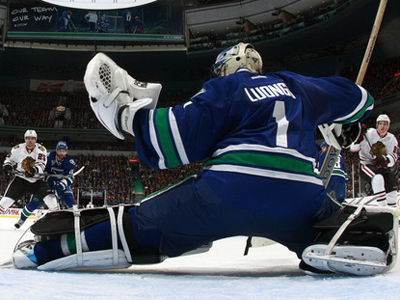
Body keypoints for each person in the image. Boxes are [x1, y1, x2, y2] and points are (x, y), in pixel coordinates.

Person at [12, 43, 397, 275]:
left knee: (138, 223)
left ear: (226, 68)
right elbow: (360, 98)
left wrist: (137, 120)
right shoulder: (300, 86)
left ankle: (47, 250)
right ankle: (341, 238)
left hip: (229, 189)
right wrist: (337, 119)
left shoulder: (226, 87)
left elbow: (175, 140)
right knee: (320, 221)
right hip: (302, 195)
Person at [14, 141, 77, 229]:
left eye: (63, 151)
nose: (62, 153)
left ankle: (75, 222)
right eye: (60, 151)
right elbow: (41, 168)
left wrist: (61, 185)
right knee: (33, 204)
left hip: (61, 185)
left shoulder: (70, 162)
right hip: (46, 184)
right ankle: (21, 220)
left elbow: (70, 178)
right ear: (56, 150)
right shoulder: (48, 156)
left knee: (71, 203)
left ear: (66, 151)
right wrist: (40, 174)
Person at [0, 130, 58, 222]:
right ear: (25, 139)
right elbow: (9, 160)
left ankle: (57, 219)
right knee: (4, 203)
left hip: (37, 181)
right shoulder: (17, 149)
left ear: (35, 140)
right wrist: (7, 165)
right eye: (28, 138)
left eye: (32, 139)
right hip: (21, 179)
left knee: (52, 201)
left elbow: (41, 164)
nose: (30, 140)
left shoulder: (41, 149)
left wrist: (34, 170)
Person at [350, 114, 398, 207]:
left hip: (382, 167)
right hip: (366, 165)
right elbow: (353, 148)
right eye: (380, 124)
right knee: (378, 179)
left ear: (388, 126)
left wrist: (385, 159)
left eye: (385, 124)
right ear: (377, 125)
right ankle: (382, 208)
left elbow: (394, 156)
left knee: (392, 192)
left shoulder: (391, 139)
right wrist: (358, 138)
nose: (382, 126)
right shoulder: (369, 133)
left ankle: (392, 214)